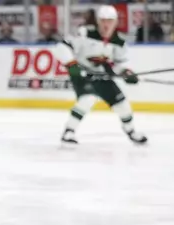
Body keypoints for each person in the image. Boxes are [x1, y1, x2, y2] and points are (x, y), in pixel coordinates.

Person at [56, 5, 146, 145]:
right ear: (98, 21)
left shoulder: (119, 42)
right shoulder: (85, 33)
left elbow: (118, 64)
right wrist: (71, 64)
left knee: (122, 104)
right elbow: (62, 47)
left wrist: (126, 73)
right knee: (88, 98)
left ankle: (131, 131)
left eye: (110, 21)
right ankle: (69, 131)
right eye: (103, 20)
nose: (106, 24)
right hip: (82, 74)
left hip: (102, 76)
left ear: (115, 22)